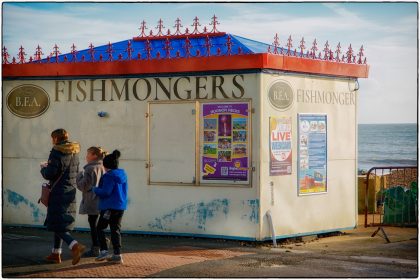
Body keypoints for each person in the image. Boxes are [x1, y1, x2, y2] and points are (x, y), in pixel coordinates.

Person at [40, 128, 85, 265]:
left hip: (58, 192)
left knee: (55, 223)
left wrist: (43, 168)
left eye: (52, 138)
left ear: (55, 138)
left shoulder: (56, 151)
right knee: (60, 223)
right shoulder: (75, 151)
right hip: (70, 190)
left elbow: (50, 174)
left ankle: (74, 245)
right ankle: (56, 253)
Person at [92, 150, 128, 264]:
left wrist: (95, 189)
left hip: (108, 207)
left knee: (100, 228)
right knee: (115, 229)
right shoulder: (122, 174)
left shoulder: (108, 176)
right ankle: (117, 254)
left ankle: (103, 251)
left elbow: (106, 192)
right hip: (120, 206)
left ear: (105, 165)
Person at [76, 146, 107, 257]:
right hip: (103, 200)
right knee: (98, 225)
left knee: (93, 224)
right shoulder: (104, 166)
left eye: (88, 154)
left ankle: (96, 248)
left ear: (94, 155)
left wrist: (78, 176)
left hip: (92, 200)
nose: (86, 156)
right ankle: (101, 242)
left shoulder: (89, 169)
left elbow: (83, 186)